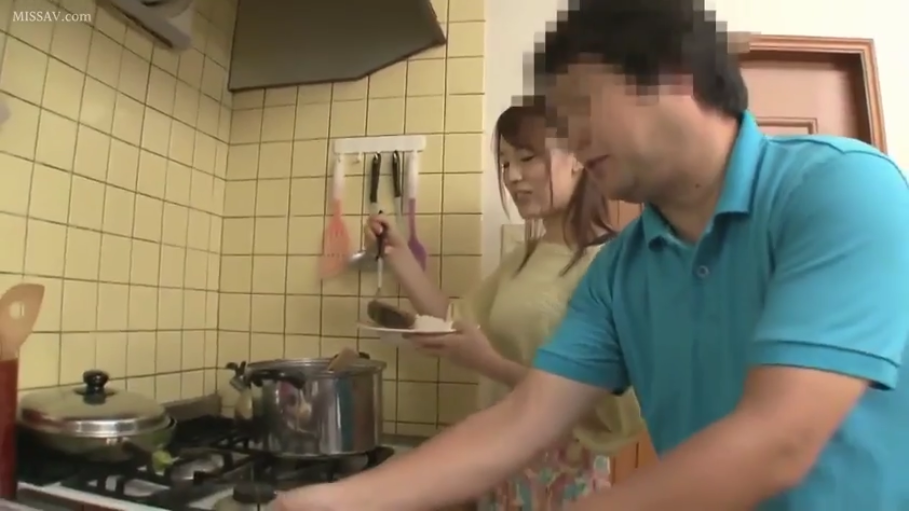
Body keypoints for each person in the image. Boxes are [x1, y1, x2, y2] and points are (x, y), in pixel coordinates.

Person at [276, 0, 909, 509]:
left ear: (674, 72)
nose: (573, 139)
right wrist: (336, 501)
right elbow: (523, 418)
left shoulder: (841, 188)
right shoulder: (620, 272)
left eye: (581, 105)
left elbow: (780, 439)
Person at [372, 101, 641, 509]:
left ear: (577, 158)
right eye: (504, 163)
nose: (512, 176)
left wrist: (489, 363)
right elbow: (452, 319)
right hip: (499, 470)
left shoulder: (613, 263)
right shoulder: (524, 257)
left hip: (563, 480)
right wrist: (398, 255)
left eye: (527, 158)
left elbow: (618, 412)